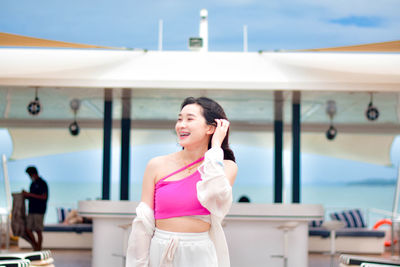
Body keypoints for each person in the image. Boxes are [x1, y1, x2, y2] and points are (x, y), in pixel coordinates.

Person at [126, 97, 238, 267]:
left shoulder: (226, 166)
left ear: (210, 128)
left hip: (199, 253)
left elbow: (215, 196)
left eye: (189, 119)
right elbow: (144, 222)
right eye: (179, 119)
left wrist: (216, 148)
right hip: (160, 251)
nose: (181, 125)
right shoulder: (156, 165)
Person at [22, 166, 48, 251]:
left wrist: (29, 194)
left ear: (33, 174)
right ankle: (36, 246)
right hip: (31, 210)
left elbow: (44, 197)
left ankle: (38, 249)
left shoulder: (42, 183)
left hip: (39, 211)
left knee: (38, 231)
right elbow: (32, 197)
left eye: (29, 175)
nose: (29, 177)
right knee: (28, 229)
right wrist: (26, 196)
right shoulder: (32, 184)